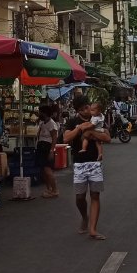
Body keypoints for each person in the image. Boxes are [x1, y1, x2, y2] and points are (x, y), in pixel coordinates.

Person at [63, 96, 108, 240]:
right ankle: (84, 217)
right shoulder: (72, 121)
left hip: (95, 163)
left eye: (87, 107)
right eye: (82, 109)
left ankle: (93, 229)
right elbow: (65, 138)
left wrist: (92, 132)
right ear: (78, 111)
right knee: (80, 197)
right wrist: (80, 128)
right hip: (79, 164)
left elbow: (107, 137)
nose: (87, 110)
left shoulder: (98, 118)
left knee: (95, 195)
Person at [35, 105, 60, 198]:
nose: (39, 113)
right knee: (43, 171)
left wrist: (51, 151)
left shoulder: (52, 124)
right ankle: (49, 189)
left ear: (44, 113)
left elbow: (54, 138)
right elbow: (39, 133)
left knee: (47, 169)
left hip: (47, 147)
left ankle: (55, 190)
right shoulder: (42, 122)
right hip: (40, 147)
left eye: (40, 111)